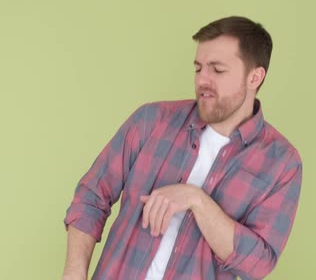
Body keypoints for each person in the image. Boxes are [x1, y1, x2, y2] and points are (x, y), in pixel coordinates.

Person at [62, 16, 303, 280]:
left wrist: (196, 200)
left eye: (218, 70)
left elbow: (256, 264)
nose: (203, 80)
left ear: (255, 77)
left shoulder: (282, 164)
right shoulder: (151, 121)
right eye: (199, 68)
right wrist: (74, 274)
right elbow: (91, 197)